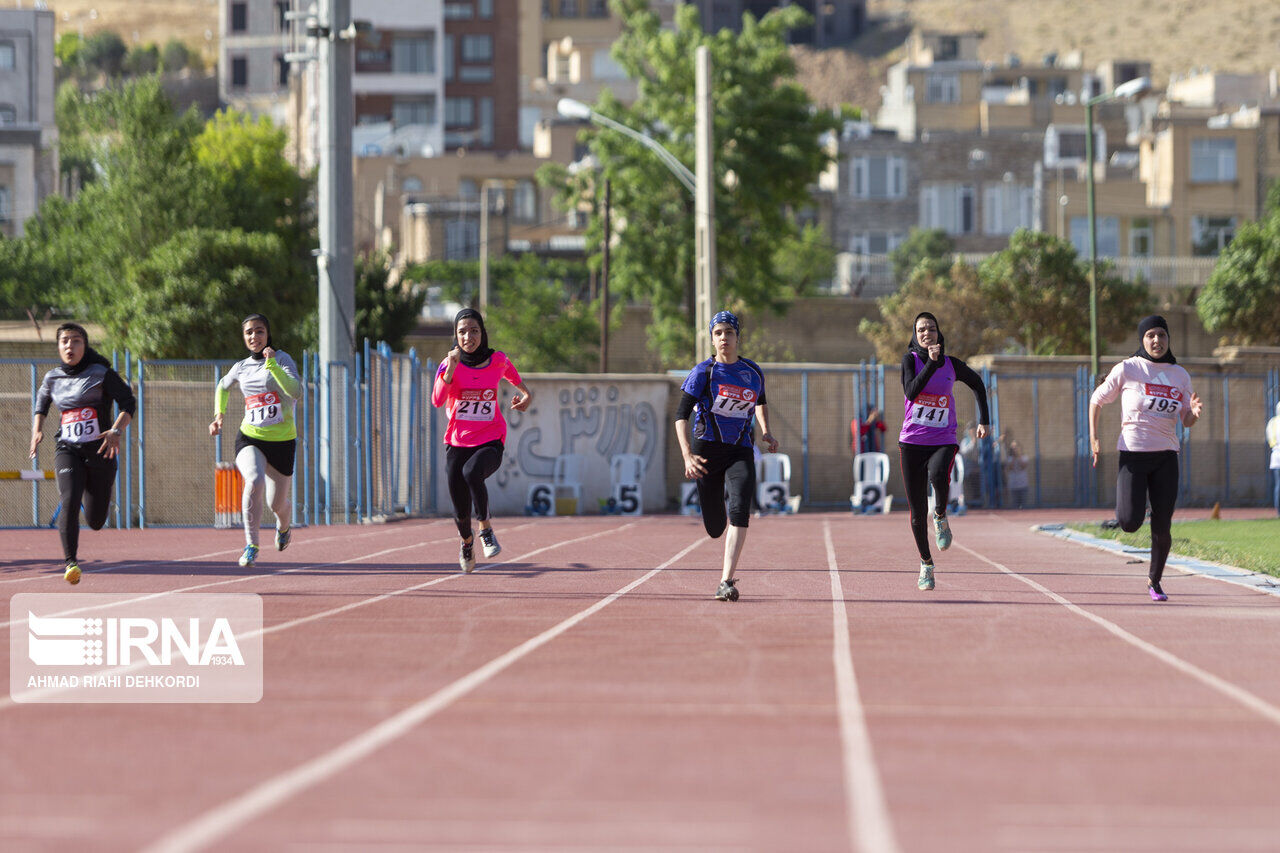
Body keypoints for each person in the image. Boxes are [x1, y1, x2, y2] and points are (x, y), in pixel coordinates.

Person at [1089, 315, 1202, 602]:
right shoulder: (1128, 369)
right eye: (1150, 335)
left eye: (1161, 335)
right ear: (1142, 339)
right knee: (1128, 521)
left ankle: (1155, 581)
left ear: (1168, 339)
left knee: (1162, 526)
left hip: (1166, 456)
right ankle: (1140, 506)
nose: (1156, 340)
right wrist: (1094, 437)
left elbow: (1185, 419)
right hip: (1134, 455)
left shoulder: (1180, 375)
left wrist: (1193, 414)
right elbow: (1096, 400)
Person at [674, 311, 779, 602]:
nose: (724, 338)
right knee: (715, 527)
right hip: (705, 451)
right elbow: (680, 415)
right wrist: (687, 456)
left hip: (740, 449)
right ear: (712, 339)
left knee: (740, 510)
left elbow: (760, 402)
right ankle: (713, 512)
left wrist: (767, 431)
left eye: (728, 333)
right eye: (718, 333)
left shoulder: (752, 372)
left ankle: (726, 581)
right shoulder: (703, 373)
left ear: (737, 337)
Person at [30, 323, 137, 584]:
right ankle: (71, 563)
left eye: (76, 341)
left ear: (84, 346)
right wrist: (37, 431)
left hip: (101, 450)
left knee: (97, 520)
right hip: (67, 448)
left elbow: (128, 401)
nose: (70, 346)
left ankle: (99, 496)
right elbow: (41, 404)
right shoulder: (52, 378)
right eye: (64, 341)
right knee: (69, 499)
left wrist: (115, 430)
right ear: (58, 347)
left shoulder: (101, 374)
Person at [431, 308, 532, 573]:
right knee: (460, 511)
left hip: (491, 439)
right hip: (457, 442)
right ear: (456, 335)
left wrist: (525, 395)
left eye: (474, 330)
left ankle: (486, 530)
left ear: (482, 333)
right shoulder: (448, 364)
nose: (468, 337)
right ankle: (467, 542)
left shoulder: (496, 359)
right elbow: (437, 400)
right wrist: (451, 370)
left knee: (472, 472)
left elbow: (513, 375)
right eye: (462, 332)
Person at [898, 312, 990, 591]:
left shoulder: (952, 364)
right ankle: (926, 564)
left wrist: (985, 419)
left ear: (939, 334)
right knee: (915, 513)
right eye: (921, 330)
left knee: (939, 475)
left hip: (943, 438)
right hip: (912, 442)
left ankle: (939, 515)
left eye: (932, 329)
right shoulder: (909, 361)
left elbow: (978, 384)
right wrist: (931, 363)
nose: (927, 333)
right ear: (915, 335)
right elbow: (912, 392)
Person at [210, 314, 301, 568]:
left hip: (283, 442)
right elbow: (222, 386)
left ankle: (284, 527)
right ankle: (251, 545)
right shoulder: (240, 367)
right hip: (250, 437)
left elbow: (296, 391)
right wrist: (219, 416)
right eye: (249, 332)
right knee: (254, 479)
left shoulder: (282, 359)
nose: (254, 337)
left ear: (267, 334)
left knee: (277, 504)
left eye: (259, 331)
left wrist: (272, 366)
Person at [1004, 439, 1030, 509]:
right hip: (1013, 486)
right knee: (1014, 507)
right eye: (1013, 447)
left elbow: (1023, 466)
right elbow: (1010, 468)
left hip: (1023, 485)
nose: (1014, 449)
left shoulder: (1025, 457)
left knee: (1024, 506)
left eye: (1016, 447)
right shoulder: (1009, 458)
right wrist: (1014, 457)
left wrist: (1019, 456)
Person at [1267, 402, 1280, 517]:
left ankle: (1278, 511)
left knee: (1278, 485)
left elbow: (1270, 440)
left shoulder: (1272, 423)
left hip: (1276, 456)